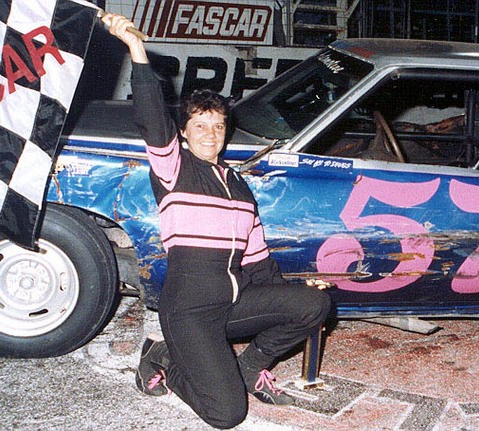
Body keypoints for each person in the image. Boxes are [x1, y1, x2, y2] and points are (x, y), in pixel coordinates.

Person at [103, 14, 331, 429]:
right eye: (200, 126)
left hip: (233, 303)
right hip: (189, 311)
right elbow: (153, 118)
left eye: (218, 126)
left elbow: (258, 262)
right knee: (227, 414)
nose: (210, 134)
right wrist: (136, 49)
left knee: (314, 304)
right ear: (184, 133)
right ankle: (163, 358)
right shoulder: (174, 171)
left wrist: (287, 297)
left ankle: (250, 367)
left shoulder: (239, 187)